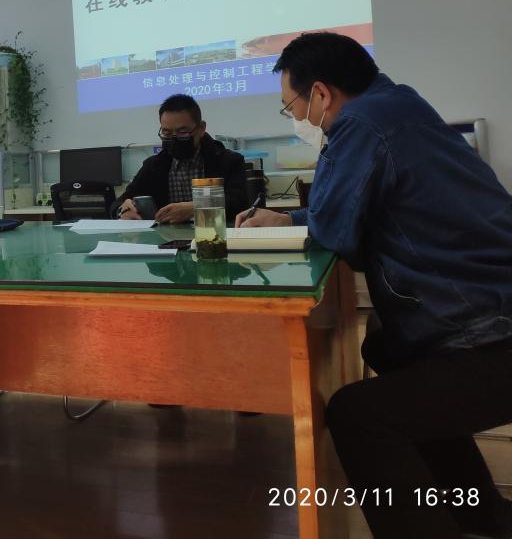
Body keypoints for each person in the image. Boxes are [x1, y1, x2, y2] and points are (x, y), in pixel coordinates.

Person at [238, 32, 512, 539]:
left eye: (291, 107)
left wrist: (296, 219)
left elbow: (336, 231)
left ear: (321, 94)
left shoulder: (361, 124)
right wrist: (288, 218)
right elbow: (354, 211)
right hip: (490, 311)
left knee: (358, 416)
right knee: (388, 347)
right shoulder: (397, 104)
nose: (296, 119)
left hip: (492, 332)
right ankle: (480, 514)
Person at [116, 93, 248, 223]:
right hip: (166, 236)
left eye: (182, 132)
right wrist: (123, 210)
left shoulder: (229, 161)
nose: (174, 138)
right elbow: (119, 202)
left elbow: (241, 202)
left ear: (201, 129)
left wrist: (195, 208)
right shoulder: (153, 166)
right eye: (166, 132)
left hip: (215, 233)